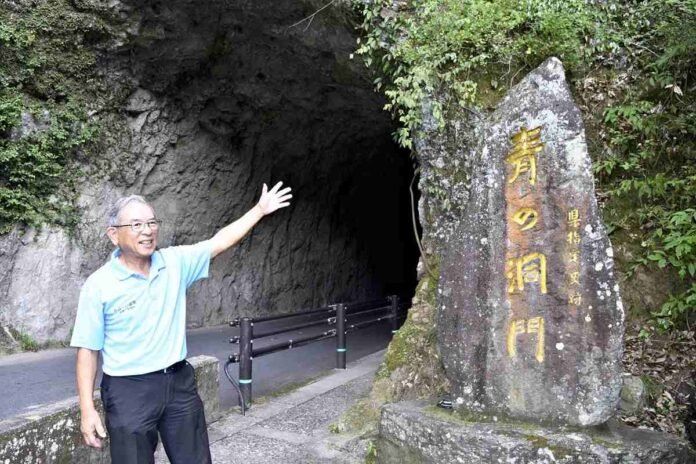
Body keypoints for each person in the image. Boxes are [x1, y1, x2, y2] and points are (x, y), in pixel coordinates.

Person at [70, 182, 292, 464]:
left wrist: (259, 210)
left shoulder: (174, 262)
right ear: (114, 235)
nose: (147, 230)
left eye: (152, 222)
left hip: (178, 383)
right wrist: (87, 409)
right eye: (136, 224)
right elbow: (87, 350)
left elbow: (219, 242)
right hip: (129, 389)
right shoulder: (99, 285)